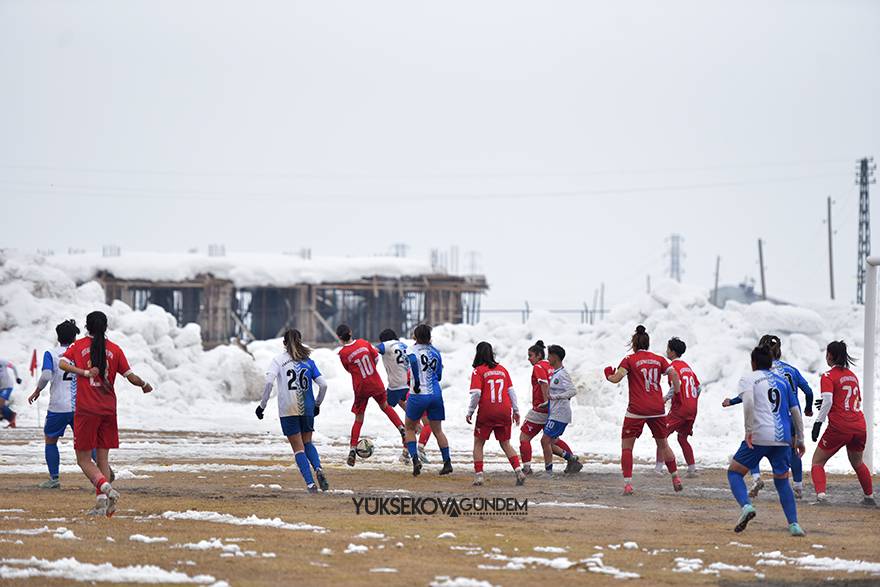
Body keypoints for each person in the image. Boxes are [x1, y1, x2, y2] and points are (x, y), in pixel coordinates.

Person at [59, 311, 153, 517]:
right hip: (108, 410)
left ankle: (106, 489)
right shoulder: (115, 349)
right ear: (105, 326)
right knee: (103, 459)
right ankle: (103, 505)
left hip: (86, 409)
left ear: (87, 326)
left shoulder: (78, 346)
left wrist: (84, 373)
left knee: (83, 459)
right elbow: (131, 377)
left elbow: (62, 363)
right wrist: (145, 385)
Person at [726, 345, 805, 536]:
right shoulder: (782, 382)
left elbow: (749, 402)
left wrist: (748, 430)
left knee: (734, 473)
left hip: (760, 434)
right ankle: (794, 524)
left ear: (753, 362)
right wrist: (800, 438)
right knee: (782, 482)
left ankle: (746, 506)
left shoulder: (748, 378)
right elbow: (795, 410)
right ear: (770, 363)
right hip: (783, 437)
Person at [605, 325, 683, 495]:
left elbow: (616, 378)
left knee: (627, 447)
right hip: (657, 408)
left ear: (634, 344)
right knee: (663, 445)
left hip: (637, 409)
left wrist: (608, 374)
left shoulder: (629, 359)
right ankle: (675, 476)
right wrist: (676, 393)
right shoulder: (659, 359)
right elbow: (675, 375)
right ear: (648, 343)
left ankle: (627, 484)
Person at [255, 329, 329, 493]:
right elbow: (323, 385)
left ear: (284, 343)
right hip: (308, 407)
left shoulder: (278, 360)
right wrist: (317, 404)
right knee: (308, 442)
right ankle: (318, 468)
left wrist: (262, 406)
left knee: (298, 448)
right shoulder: (308, 361)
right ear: (300, 341)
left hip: (288, 409)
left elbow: (268, 383)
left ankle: (310, 484)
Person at [810, 341, 874, 506]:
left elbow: (829, 400)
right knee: (858, 463)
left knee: (817, 462)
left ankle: (821, 497)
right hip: (859, 425)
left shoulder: (828, 376)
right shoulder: (852, 376)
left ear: (830, 355)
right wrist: (828, 403)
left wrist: (818, 423)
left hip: (840, 427)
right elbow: (853, 399)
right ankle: (869, 497)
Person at [337, 324, 406, 467]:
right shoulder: (364, 343)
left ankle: (352, 449)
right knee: (385, 407)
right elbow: (375, 358)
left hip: (360, 387)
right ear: (350, 332)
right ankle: (402, 429)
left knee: (359, 418)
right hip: (375, 381)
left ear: (339, 338)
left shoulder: (343, 353)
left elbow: (348, 369)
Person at [27, 319, 81, 488]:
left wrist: (37, 391)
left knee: (51, 440)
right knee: (86, 443)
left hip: (58, 406)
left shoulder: (51, 353)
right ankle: (103, 473)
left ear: (58, 337)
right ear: (74, 337)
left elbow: (45, 376)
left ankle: (54, 479)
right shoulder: (80, 352)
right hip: (80, 406)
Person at [518, 340, 582, 475]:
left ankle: (528, 468)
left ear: (538, 355)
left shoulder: (539, 367)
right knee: (552, 441)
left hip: (541, 409)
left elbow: (544, 384)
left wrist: (547, 401)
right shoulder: (552, 367)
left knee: (525, 437)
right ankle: (572, 460)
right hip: (553, 410)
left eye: (530, 355)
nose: (529, 359)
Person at [467, 342, 525, 486]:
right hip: (505, 410)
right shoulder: (503, 370)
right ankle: (519, 471)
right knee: (505, 443)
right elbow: (511, 392)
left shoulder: (478, 371)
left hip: (487, 411)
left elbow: (476, 394)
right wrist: (516, 411)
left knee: (478, 443)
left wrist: (470, 411)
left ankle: (479, 475)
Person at [376, 328, 432, 463]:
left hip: (395, 388)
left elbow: (374, 350)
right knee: (418, 421)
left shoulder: (387, 344)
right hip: (411, 386)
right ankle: (412, 447)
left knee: (387, 407)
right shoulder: (406, 346)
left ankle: (408, 442)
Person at [403, 324, 452, 476]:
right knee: (438, 430)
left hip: (418, 395)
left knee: (409, 428)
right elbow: (439, 375)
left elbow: (411, 362)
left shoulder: (411, 350)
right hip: (436, 394)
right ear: (429, 337)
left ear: (415, 336)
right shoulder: (435, 352)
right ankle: (447, 462)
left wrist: (417, 382)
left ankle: (415, 460)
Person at [662, 337, 701, 478]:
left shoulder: (673, 367)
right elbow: (698, 387)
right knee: (682, 438)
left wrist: (665, 398)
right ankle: (692, 469)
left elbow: (675, 384)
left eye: (667, 349)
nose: (666, 351)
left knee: (661, 435)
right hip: (692, 408)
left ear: (672, 352)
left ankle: (658, 468)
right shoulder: (687, 366)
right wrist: (692, 399)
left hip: (681, 408)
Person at [540, 345, 577, 475]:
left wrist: (555, 397)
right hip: (555, 413)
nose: (547, 358)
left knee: (545, 441)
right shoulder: (556, 373)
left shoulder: (562, 374)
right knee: (551, 442)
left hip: (560, 414)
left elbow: (573, 391)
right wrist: (548, 403)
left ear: (555, 357)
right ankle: (571, 459)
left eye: (549, 355)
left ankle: (548, 472)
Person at [0, 356, 22, 428]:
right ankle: (11, 418)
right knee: (1, 405)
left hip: (7, 386)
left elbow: (13, 367)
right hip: (1, 387)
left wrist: (17, 377)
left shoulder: (2, 361)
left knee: (1, 402)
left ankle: (5, 415)